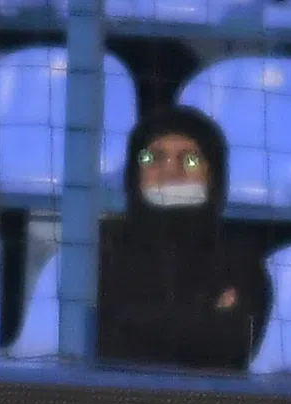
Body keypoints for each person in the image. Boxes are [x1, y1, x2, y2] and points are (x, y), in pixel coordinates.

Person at [96, 106, 270, 371]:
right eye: (152, 158)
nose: (170, 172)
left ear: (214, 175)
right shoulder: (102, 246)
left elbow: (233, 345)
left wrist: (136, 320)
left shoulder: (240, 257)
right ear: (133, 171)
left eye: (190, 160)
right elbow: (102, 341)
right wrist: (204, 318)